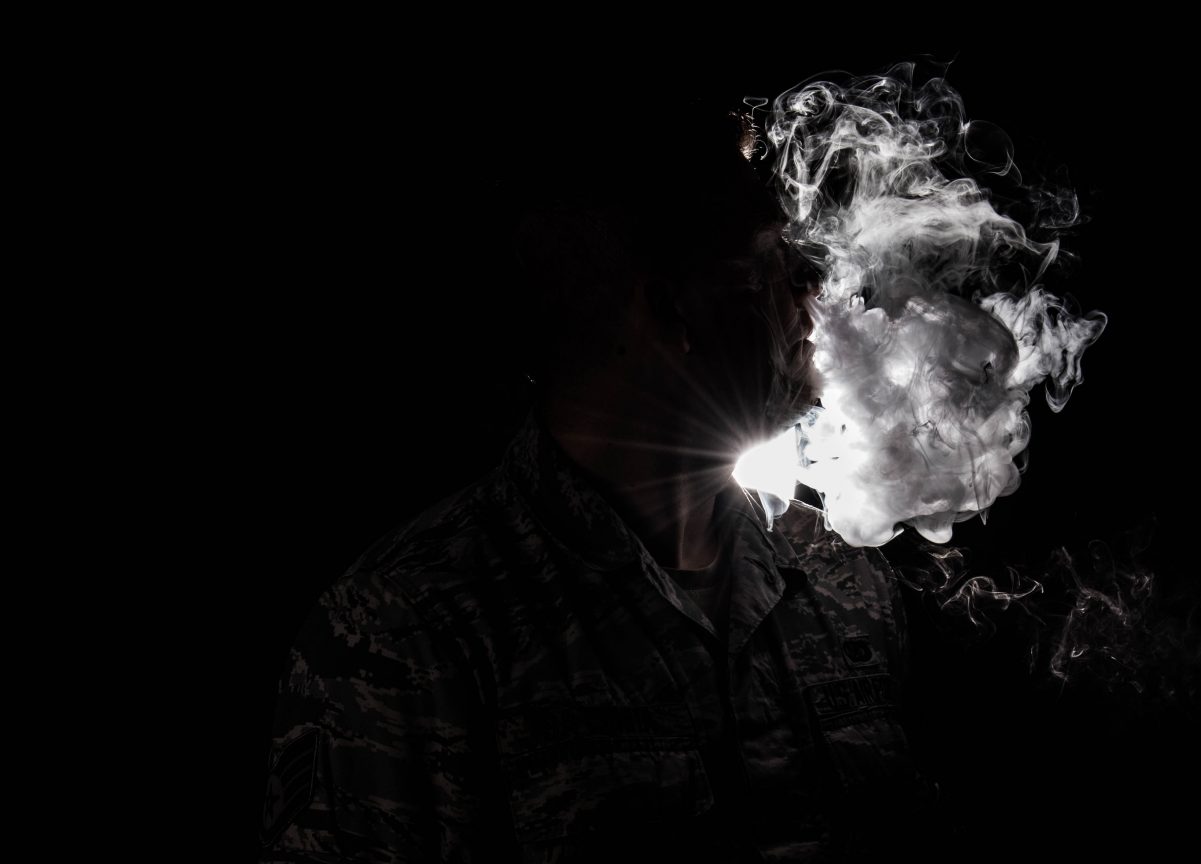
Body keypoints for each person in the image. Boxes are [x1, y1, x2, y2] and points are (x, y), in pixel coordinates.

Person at [259, 105, 944, 862]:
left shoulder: (843, 578)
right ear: (671, 309)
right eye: (772, 268)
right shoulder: (406, 633)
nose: (812, 300)